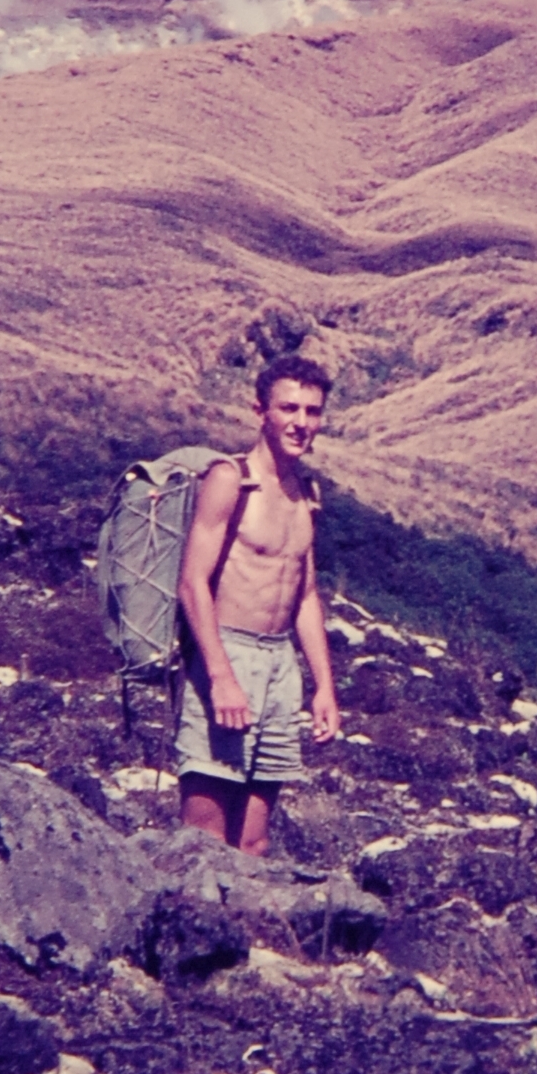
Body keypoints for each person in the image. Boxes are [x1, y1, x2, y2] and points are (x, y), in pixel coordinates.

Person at [174, 355, 342, 854]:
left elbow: (304, 595)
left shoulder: (306, 492)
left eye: (312, 411)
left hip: (279, 666)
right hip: (227, 652)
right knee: (203, 837)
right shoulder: (230, 480)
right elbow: (192, 583)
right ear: (260, 411)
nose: (301, 422)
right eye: (288, 408)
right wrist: (220, 677)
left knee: (253, 842)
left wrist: (324, 687)